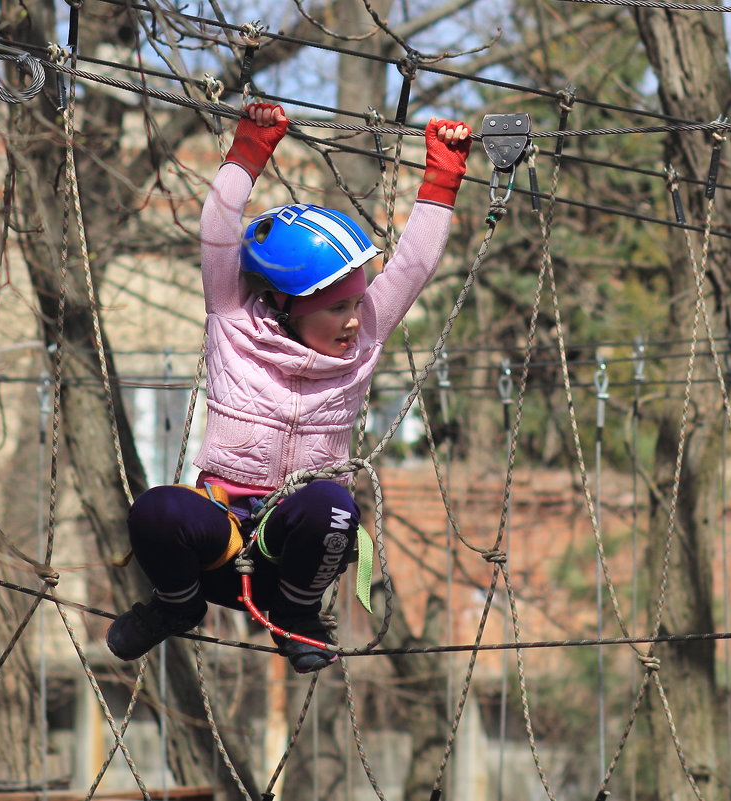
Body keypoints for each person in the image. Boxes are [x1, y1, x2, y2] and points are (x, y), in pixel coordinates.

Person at [107, 102, 472, 673]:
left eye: (356, 303)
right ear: (285, 305)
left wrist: (444, 172)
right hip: (220, 539)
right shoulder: (234, 320)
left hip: (294, 553)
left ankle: (298, 617)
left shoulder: (364, 339)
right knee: (156, 509)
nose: (355, 319)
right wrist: (250, 149)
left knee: (332, 503)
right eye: (336, 308)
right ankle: (174, 607)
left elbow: (415, 263)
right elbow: (217, 232)